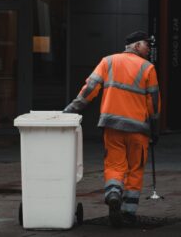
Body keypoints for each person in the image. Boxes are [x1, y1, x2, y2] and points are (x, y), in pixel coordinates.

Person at [64, 31, 161, 227]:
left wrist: (70, 110)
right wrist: (155, 127)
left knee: (115, 165)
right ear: (134, 46)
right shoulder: (148, 68)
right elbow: (154, 103)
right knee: (135, 169)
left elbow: (89, 89)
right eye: (145, 44)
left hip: (112, 126)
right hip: (138, 129)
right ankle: (128, 213)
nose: (149, 48)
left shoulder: (107, 61)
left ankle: (113, 192)